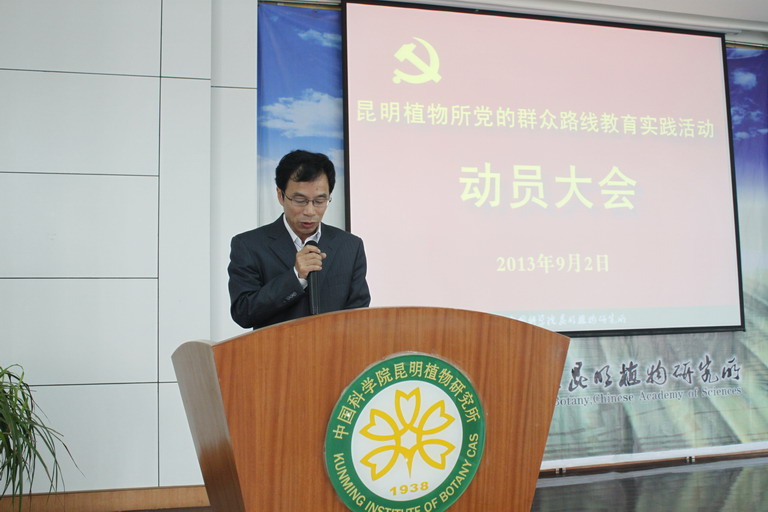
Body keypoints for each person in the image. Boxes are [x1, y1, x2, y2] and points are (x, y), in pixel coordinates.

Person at [228, 150, 371, 329]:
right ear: (280, 195)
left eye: (319, 201)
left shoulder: (350, 246)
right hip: (276, 347)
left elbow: (358, 315)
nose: (310, 211)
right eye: (300, 200)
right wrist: (296, 277)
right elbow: (243, 313)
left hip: (333, 347)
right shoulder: (249, 245)